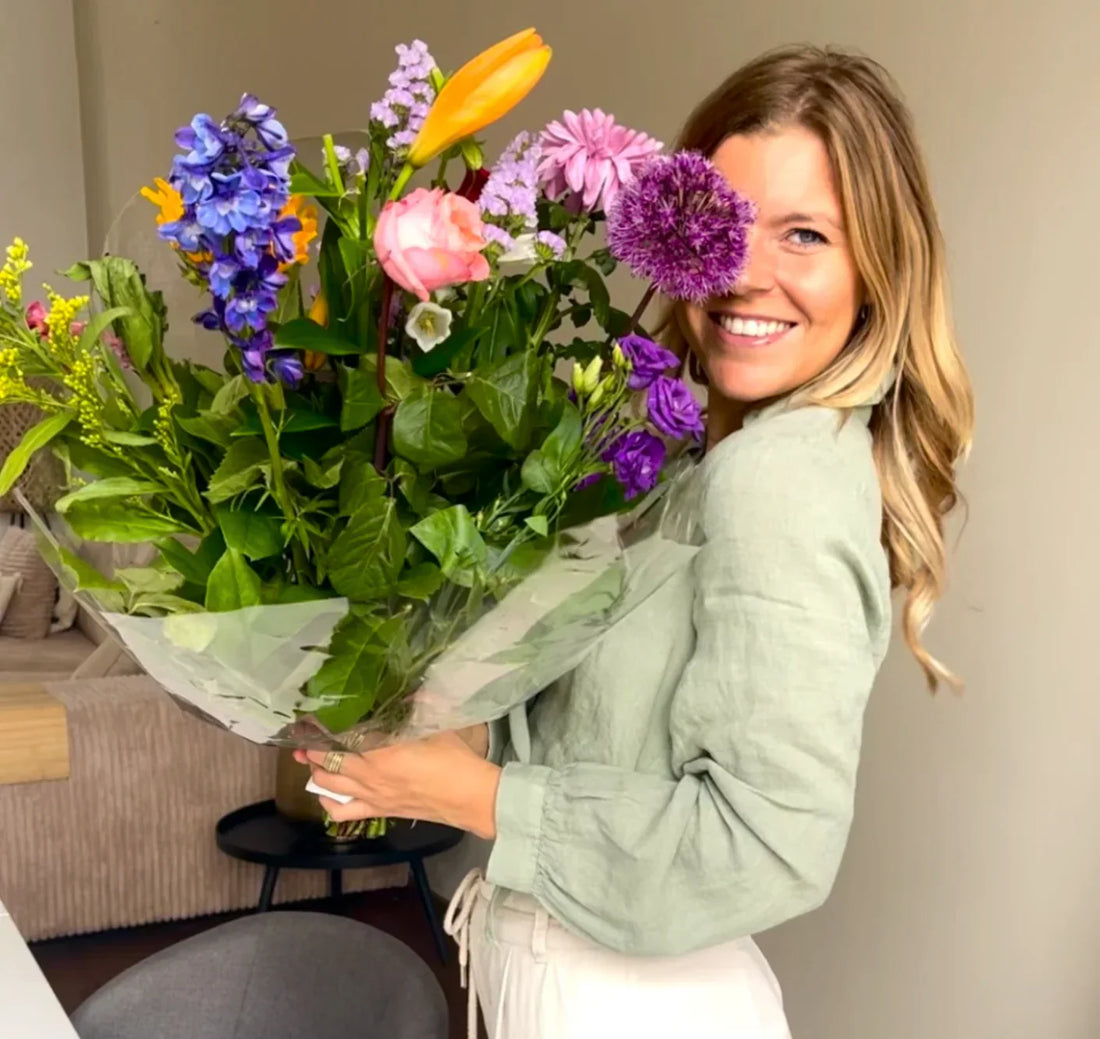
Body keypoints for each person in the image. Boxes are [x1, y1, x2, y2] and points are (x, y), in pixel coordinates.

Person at [297, 43, 975, 1039]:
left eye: (803, 234)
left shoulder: (774, 476)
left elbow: (766, 846)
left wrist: (478, 796)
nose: (745, 271)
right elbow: (620, 739)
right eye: (721, 224)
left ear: (877, 264)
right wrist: (440, 743)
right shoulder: (708, 457)